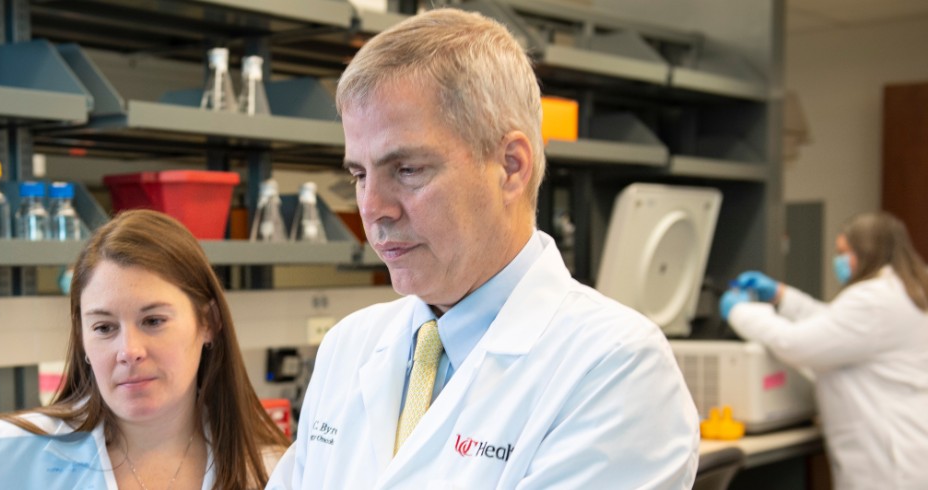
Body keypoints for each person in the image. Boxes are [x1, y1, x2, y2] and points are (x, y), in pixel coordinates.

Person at [268, 8, 699, 489]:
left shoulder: (615, 368)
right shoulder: (348, 347)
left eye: (407, 170)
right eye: (359, 175)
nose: (372, 209)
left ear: (510, 167)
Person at [0, 209, 288, 489]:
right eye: (104, 328)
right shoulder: (3, 454)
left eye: (153, 321)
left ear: (208, 322)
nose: (129, 351)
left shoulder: (275, 472)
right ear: (82, 337)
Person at [721, 211, 928, 489]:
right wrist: (781, 296)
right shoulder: (903, 290)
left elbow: (796, 344)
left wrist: (740, 312)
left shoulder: (872, 300)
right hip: (907, 444)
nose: (838, 261)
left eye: (843, 252)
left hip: (890, 461)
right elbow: (836, 326)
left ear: (866, 252)